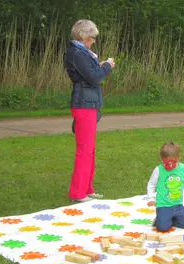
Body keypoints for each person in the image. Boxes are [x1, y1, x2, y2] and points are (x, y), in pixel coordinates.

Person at [64, 19, 115, 202]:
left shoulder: (81, 53)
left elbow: (89, 75)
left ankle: (87, 188)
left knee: (90, 150)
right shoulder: (77, 53)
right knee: (84, 150)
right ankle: (78, 193)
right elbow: (94, 79)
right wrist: (107, 68)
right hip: (83, 104)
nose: (93, 40)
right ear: (84, 36)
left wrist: (100, 66)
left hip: (89, 103)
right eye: (92, 37)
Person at [147, 141, 184, 232]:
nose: (169, 166)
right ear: (161, 159)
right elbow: (151, 184)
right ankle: (161, 219)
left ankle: (166, 219)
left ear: (178, 158)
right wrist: (151, 198)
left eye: (172, 162)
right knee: (163, 228)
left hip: (178, 205)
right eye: (165, 163)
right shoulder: (158, 170)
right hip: (163, 205)